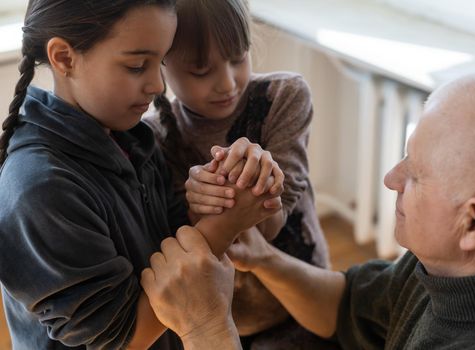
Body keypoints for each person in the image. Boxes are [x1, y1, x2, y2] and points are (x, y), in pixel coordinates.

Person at [141, 74, 475, 349]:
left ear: (474, 224)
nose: (392, 178)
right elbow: (349, 305)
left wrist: (206, 329)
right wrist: (264, 258)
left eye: (417, 173)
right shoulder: (448, 265)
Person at [0, 1, 280, 349]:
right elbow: (125, 338)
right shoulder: (40, 190)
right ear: (64, 57)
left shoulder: (131, 138)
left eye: (160, 62)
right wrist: (224, 224)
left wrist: (223, 190)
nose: (158, 85)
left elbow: (176, 239)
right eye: (136, 66)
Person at [144, 0, 332, 346]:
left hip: (305, 296)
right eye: (202, 71)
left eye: (238, 58)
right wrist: (199, 205)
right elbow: (191, 252)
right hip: (220, 322)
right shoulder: (153, 139)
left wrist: (256, 179)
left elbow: (273, 225)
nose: (228, 83)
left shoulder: (283, 96)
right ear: (161, 64)